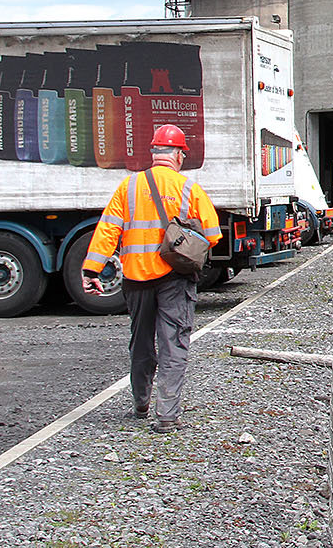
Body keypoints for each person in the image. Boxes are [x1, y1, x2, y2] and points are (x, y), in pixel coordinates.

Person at [83, 122, 221, 433]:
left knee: (141, 343)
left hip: (135, 278)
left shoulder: (128, 187)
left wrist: (92, 269)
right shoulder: (188, 189)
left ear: (154, 153)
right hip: (174, 276)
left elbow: (107, 229)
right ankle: (167, 415)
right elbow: (212, 234)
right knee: (173, 343)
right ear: (179, 155)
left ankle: (140, 404)